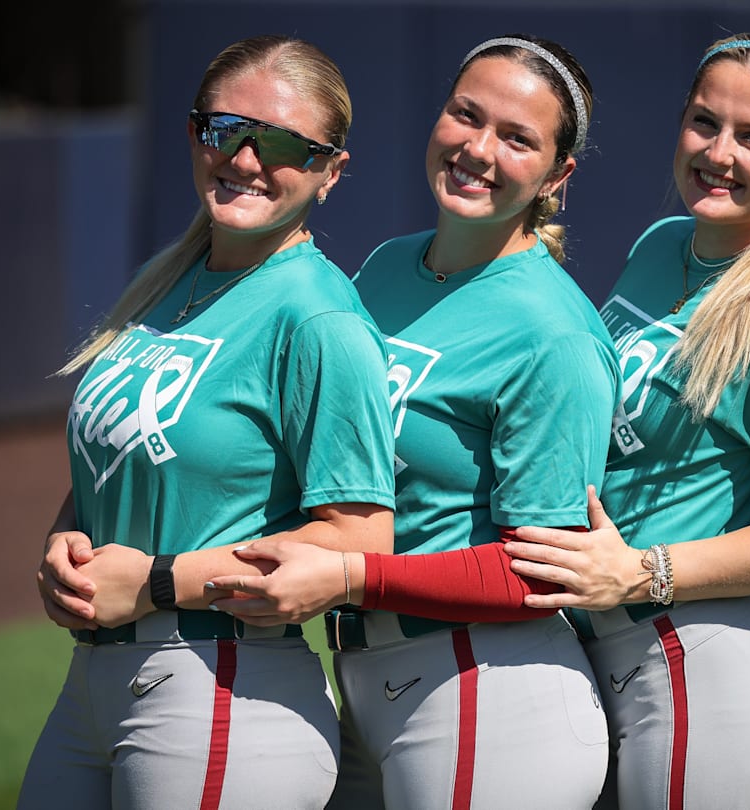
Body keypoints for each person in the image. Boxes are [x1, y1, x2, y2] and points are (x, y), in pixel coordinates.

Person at [204, 34, 619, 810]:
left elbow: (541, 572)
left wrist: (350, 573)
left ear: (557, 175)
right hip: (367, 682)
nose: (477, 148)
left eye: (517, 137)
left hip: (490, 693)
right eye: (466, 114)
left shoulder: (554, 333)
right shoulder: (389, 266)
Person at [502, 32, 750, 810]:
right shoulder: (662, 245)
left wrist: (643, 571)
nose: (720, 153)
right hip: (607, 661)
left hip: (705, 674)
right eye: (705, 123)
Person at [20, 35, 396, 810]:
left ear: (331, 172)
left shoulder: (317, 314)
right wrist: (70, 536)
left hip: (224, 688)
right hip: (96, 680)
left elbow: (360, 542)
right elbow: (130, 460)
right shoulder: (170, 281)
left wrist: (157, 581)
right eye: (225, 129)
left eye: (285, 143)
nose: (247, 158)